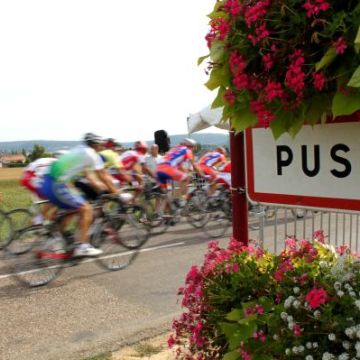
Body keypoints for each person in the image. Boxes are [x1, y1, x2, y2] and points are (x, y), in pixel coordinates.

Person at [38, 133, 119, 257]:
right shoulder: (91, 154)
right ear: (95, 145)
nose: (101, 147)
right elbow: (103, 176)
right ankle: (83, 246)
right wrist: (118, 194)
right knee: (87, 209)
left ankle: (59, 237)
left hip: (48, 182)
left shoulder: (79, 150)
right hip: (57, 184)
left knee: (76, 207)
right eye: (100, 145)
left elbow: (89, 174)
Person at [156, 138, 202, 206]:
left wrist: (186, 172)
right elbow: (194, 165)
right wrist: (202, 174)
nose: (193, 149)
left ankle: (162, 213)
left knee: (166, 193)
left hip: (159, 169)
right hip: (167, 169)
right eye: (193, 147)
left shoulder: (175, 149)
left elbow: (180, 167)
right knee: (186, 178)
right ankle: (181, 199)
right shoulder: (187, 150)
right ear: (191, 146)